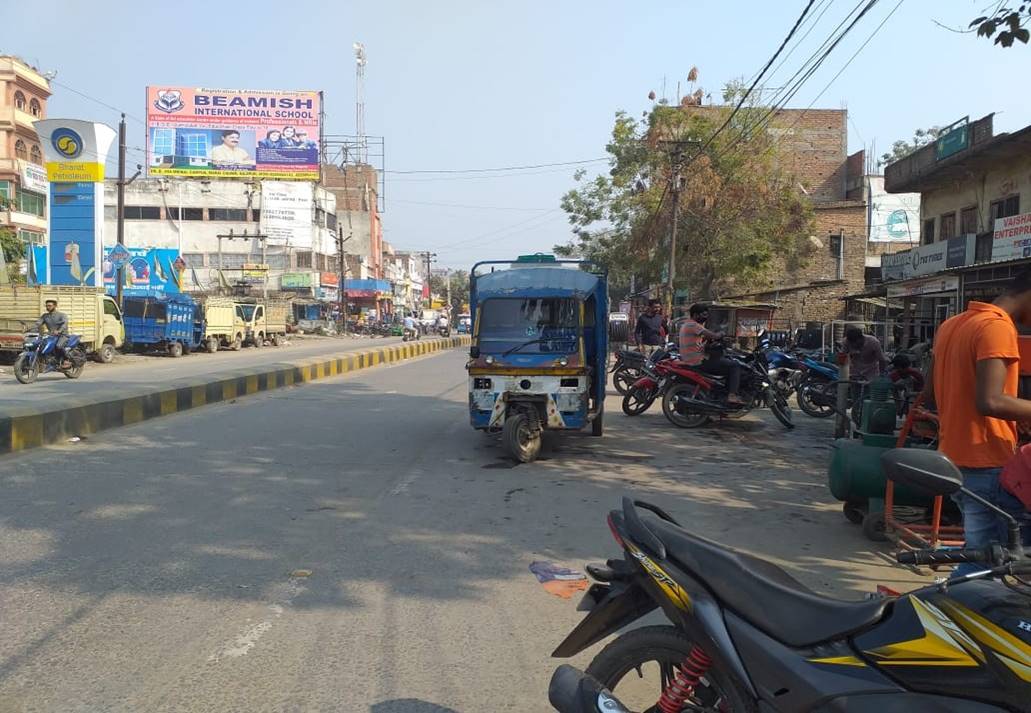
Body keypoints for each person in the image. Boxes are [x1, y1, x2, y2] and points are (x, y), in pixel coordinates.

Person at [923, 268, 1031, 575]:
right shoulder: (997, 327)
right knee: (992, 567)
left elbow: (931, 394)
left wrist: (1018, 415)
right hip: (988, 463)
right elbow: (991, 401)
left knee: (981, 558)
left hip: (954, 460)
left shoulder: (952, 324)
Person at [679, 303, 742, 405]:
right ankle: (732, 395)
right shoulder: (694, 325)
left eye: (706, 315)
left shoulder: (686, 324)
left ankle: (721, 394)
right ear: (695, 315)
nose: (705, 317)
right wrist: (721, 333)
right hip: (698, 361)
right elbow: (714, 335)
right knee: (734, 366)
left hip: (691, 359)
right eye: (703, 315)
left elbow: (704, 338)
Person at [33, 299, 70, 367]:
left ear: (55, 306)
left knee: (58, 346)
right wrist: (30, 328)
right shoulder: (45, 316)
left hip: (62, 335)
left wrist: (59, 331)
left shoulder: (62, 315)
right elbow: (38, 323)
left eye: (50, 306)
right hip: (51, 335)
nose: (48, 307)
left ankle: (66, 360)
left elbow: (65, 324)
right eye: (47, 306)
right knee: (41, 345)